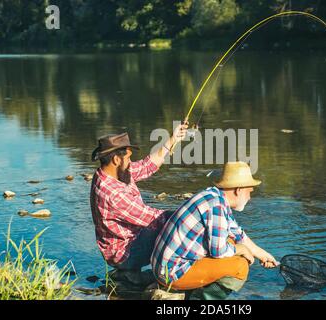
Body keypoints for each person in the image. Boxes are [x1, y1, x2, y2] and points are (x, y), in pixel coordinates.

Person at [151, 161, 278, 299]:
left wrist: (263, 255)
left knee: (230, 241)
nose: (250, 197)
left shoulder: (214, 196)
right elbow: (219, 252)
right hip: (171, 273)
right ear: (238, 190)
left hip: (164, 266)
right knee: (240, 266)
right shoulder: (216, 206)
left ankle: (193, 289)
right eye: (249, 192)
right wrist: (241, 250)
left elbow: (238, 234)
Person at [90, 122, 188, 285]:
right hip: (124, 254)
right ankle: (174, 276)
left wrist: (173, 139)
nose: (131, 162)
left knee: (176, 222)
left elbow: (147, 165)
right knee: (175, 225)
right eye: (128, 158)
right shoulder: (112, 193)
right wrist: (189, 215)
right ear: (116, 159)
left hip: (128, 242)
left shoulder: (110, 172)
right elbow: (153, 218)